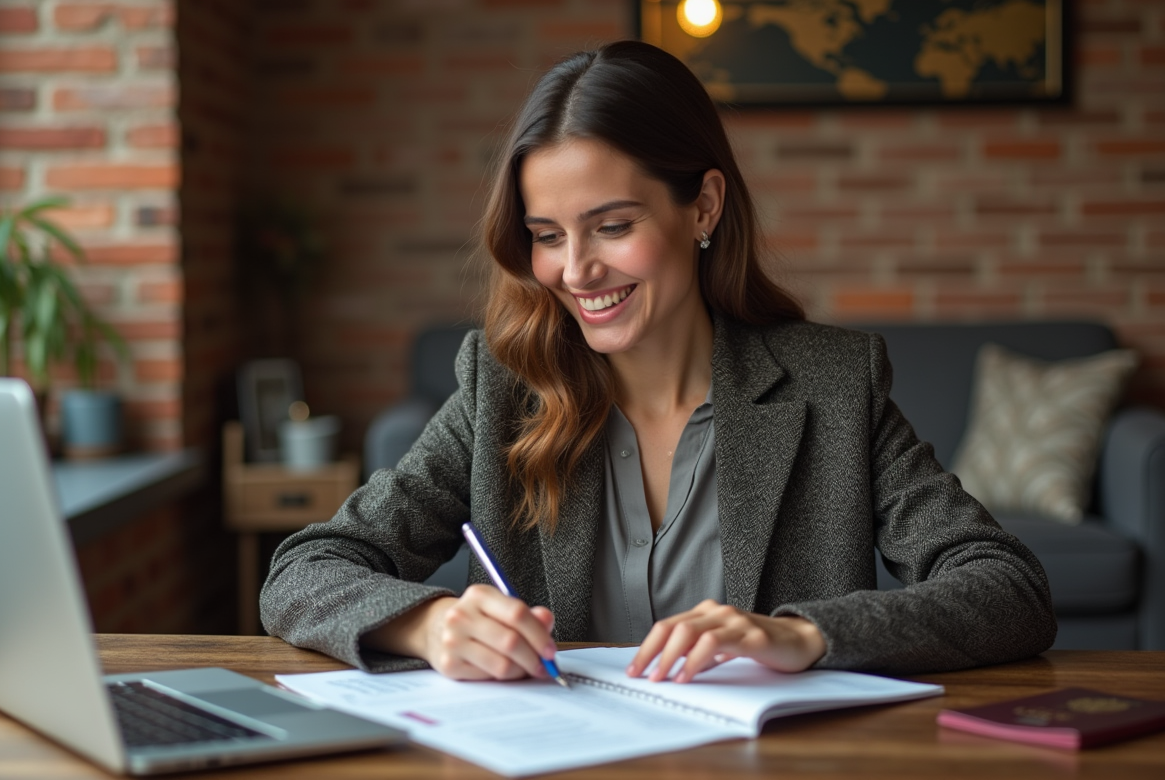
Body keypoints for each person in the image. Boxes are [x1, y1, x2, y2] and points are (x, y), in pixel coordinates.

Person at [260, 41, 1055, 683]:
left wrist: (805, 634)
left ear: (703, 207)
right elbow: (303, 570)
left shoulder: (832, 385)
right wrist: (429, 623)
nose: (575, 271)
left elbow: (1007, 588)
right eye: (546, 235)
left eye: (610, 226)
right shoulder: (502, 387)